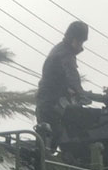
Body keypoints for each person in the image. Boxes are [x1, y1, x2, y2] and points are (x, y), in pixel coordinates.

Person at [36, 20, 89, 148]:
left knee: (53, 137)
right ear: (73, 39)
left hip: (49, 103)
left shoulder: (60, 49)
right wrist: (81, 93)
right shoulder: (65, 54)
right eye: (80, 41)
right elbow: (72, 75)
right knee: (55, 135)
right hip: (50, 105)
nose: (81, 46)